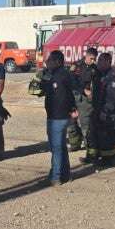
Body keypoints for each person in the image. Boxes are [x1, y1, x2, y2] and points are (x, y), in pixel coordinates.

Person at [39, 50, 78, 186]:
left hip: (57, 117)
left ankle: (56, 176)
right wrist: (73, 109)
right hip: (61, 116)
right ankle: (65, 174)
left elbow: (39, 88)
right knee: (61, 147)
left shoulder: (56, 76)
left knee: (56, 148)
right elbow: (71, 94)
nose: (46, 62)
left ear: (57, 62)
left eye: (49, 60)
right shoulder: (64, 75)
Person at [84, 52, 115, 166]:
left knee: (106, 136)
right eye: (98, 61)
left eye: (101, 61)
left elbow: (112, 97)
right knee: (92, 133)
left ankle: (107, 159)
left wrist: (106, 111)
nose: (98, 63)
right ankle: (92, 156)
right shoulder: (99, 74)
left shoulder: (112, 76)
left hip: (106, 111)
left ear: (108, 62)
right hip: (97, 108)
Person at [67, 47, 99, 151]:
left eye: (95, 59)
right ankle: (74, 144)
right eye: (92, 58)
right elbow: (71, 80)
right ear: (86, 55)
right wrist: (83, 90)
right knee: (71, 122)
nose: (93, 61)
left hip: (85, 100)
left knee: (86, 124)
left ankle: (89, 149)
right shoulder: (76, 66)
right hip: (73, 97)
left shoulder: (95, 69)